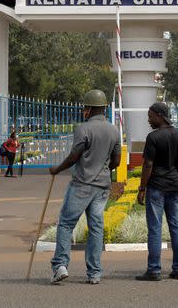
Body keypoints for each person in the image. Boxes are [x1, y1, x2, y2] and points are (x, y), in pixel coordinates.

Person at [49, 89, 121, 285]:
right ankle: (95, 273)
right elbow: (117, 161)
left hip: (82, 184)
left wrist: (57, 169)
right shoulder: (114, 130)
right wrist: (102, 167)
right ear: (104, 108)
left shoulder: (84, 129)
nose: (83, 111)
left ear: (89, 109)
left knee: (66, 223)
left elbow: (74, 156)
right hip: (102, 187)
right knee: (96, 228)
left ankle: (60, 266)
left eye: (85, 108)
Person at [136, 102, 178, 282]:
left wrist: (142, 188)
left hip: (157, 187)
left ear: (160, 115)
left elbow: (148, 164)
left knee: (155, 228)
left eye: (151, 116)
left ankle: (154, 270)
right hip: (174, 186)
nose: (149, 120)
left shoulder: (153, 138)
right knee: (176, 228)